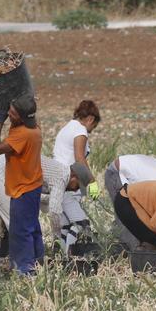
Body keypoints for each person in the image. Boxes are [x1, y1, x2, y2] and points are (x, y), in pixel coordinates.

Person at [0, 155, 93, 255]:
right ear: (74, 176)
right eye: (77, 186)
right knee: (16, 222)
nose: (74, 190)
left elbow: (37, 195)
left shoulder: (59, 173)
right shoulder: (61, 177)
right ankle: (25, 264)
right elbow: (54, 212)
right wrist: (57, 239)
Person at [0, 94, 43, 276]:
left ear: (20, 116)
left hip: (23, 189)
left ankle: (24, 270)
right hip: (32, 186)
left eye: (12, 113)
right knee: (32, 228)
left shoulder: (22, 135)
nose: (9, 114)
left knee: (20, 232)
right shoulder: (33, 128)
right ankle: (37, 263)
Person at [52, 100, 102, 247]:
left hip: (56, 180)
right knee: (81, 224)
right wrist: (91, 182)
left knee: (66, 226)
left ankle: (61, 257)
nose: (91, 130)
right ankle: (72, 260)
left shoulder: (68, 127)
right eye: (94, 126)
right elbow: (79, 159)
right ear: (91, 119)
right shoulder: (80, 130)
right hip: (69, 183)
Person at [103, 154, 156, 250]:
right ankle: (133, 257)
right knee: (128, 225)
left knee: (147, 230)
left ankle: (118, 246)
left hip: (138, 172)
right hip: (118, 172)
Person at [113, 180, 156, 251]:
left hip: (133, 200)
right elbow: (155, 225)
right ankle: (141, 260)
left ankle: (144, 259)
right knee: (152, 240)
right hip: (126, 200)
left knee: (155, 239)